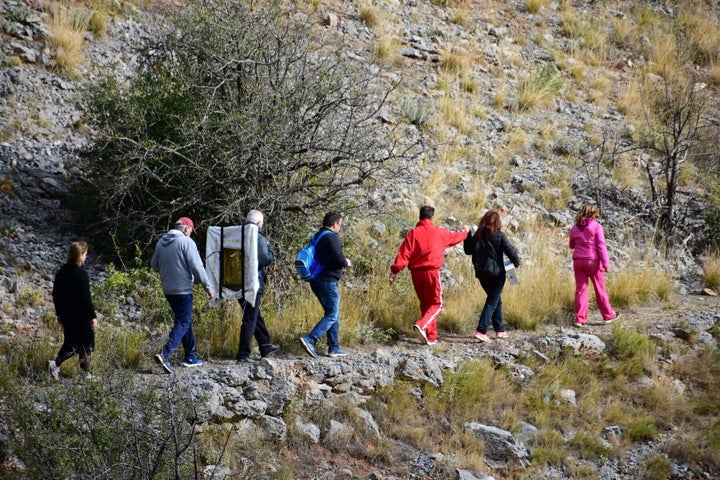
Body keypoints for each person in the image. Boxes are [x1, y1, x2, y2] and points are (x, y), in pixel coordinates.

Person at [389, 205, 469, 345]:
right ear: (432, 217)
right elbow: (455, 237)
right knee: (437, 303)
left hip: (416, 274)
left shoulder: (412, 233)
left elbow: (403, 254)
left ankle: (430, 337)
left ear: (420, 217)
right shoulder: (439, 231)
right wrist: (465, 232)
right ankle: (422, 325)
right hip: (431, 272)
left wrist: (395, 271)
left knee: (426, 304)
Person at [151, 217, 215, 373]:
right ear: (186, 228)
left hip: (168, 290)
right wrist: (208, 287)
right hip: (183, 290)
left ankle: (191, 357)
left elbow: (154, 265)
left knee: (184, 320)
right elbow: (197, 267)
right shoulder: (187, 242)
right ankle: (165, 354)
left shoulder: (161, 242)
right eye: (191, 231)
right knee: (183, 322)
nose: (191, 234)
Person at [300, 211, 352, 358]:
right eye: (340, 224)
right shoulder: (331, 237)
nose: (340, 227)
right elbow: (338, 258)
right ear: (334, 224)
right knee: (332, 314)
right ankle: (310, 339)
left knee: (333, 313)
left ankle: (334, 347)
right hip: (327, 281)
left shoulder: (317, 236)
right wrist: (346, 262)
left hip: (315, 279)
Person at [463, 211, 520, 342]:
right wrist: (516, 264)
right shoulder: (499, 236)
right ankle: (481, 330)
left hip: (482, 274)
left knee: (495, 300)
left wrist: (467, 235)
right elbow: (511, 251)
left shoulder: (478, 235)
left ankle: (499, 330)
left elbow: (468, 251)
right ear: (497, 222)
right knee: (492, 301)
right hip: (497, 274)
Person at [49, 241, 98, 379]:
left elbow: (55, 294)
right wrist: (93, 317)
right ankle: (58, 364)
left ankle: (82, 373)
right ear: (80, 255)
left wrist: (59, 313)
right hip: (82, 316)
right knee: (85, 345)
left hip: (66, 314)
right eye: (85, 254)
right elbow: (86, 299)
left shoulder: (61, 272)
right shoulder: (81, 274)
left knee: (71, 343)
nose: (86, 257)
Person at [236, 210, 280, 363]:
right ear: (259, 223)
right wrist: (269, 246)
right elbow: (266, 259)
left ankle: (265, 346)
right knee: (250, 318)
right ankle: (242, 354)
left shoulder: (237, 235)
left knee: (255, 315)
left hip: (236, 283)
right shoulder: (259, 237)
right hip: (252, 284)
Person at [569, 204, 620, 326]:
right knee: (599, 288)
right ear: (593, 214)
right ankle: (608, 315)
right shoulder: (596, 227)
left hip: (578, 261)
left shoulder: (575, 228)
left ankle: (580, 319)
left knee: (581, 290)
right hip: (593, 261)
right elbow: (601, 245)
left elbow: (571, 245)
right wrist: (606, 263)